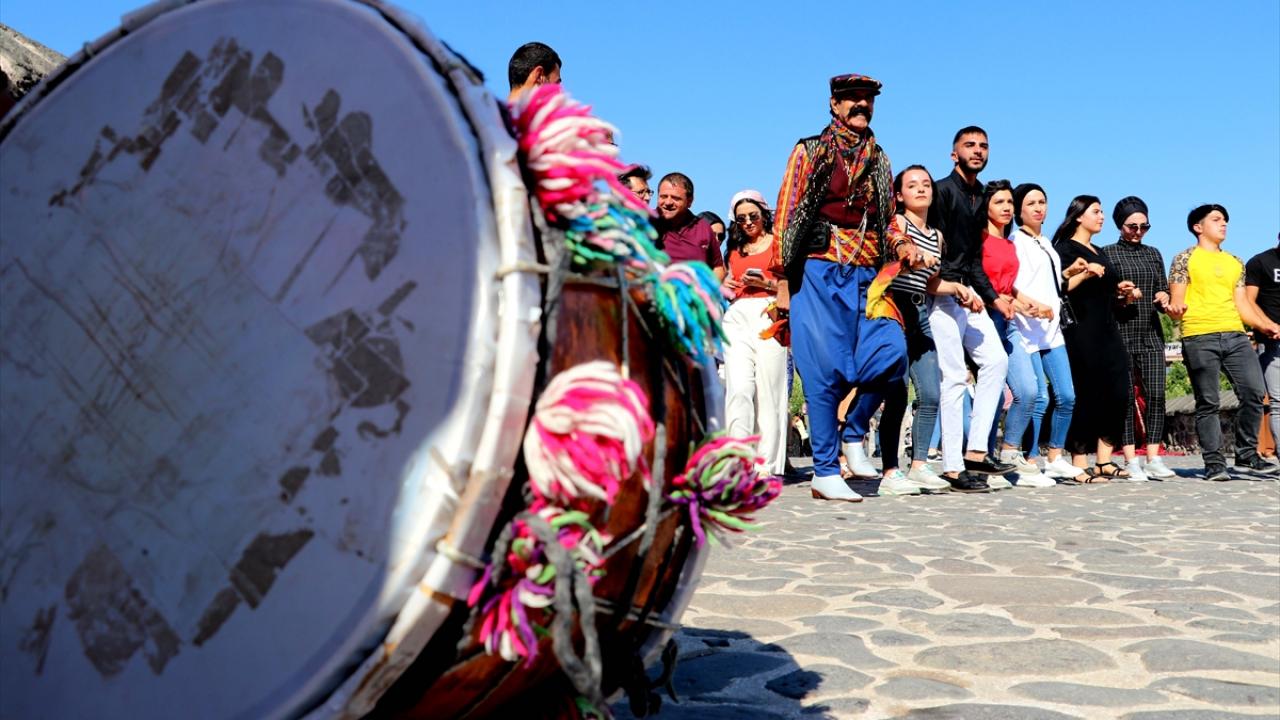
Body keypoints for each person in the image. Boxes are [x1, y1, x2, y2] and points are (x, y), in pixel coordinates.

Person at [773, 72, 928, 502]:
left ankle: (855, 431)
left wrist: (900, 242)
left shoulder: (880, 157)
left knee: (891, 356)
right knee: (825, 370)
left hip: (870, 277)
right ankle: (825, 471)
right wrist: (783, 281)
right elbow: (786, 212)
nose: (861, 105)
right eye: (852, 99)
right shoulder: (810, 150)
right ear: (834, 104)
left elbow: (887, 217)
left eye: (867, 100)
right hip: (820, 271)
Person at [927, 127, 1014, 493]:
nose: (977, 151)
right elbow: (935, 246)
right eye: (969, 145)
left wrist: (993, 297)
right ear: (954, 154)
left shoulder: (981, 196)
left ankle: (977, 449)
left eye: (983, 146)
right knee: (953, 377)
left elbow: (975, 257)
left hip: (971, 293)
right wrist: (953, 286)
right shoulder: (942, 191)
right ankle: (951, 466)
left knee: (996, 361)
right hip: (942, 292)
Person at [1167, 205, 1280, 480]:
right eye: (1216, 220)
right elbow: (1177, 300)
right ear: (1198, 226)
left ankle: (1246, 455)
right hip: (1199, 335)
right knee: (1208, 402)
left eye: (1225, 220)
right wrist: (1174, 310)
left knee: (1254, 393)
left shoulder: (1235, 262)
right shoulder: (1184, 258)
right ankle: (1215, 463)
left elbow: (1243, 305)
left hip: (1236, 335)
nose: (1224, 224)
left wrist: (1267, 325)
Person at [867, 165, 956, 494]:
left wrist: (960, 290)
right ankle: (890, 471)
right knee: (897, 394)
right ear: (899, 194)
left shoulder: (937, 236)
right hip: (893, 306)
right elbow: (887, 267)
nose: (921, 189)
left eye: (926, 184)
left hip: (920, 310)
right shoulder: (897, 225)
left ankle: (919, 464)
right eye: (912, 184)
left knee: (931, 392)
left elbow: (932, 284)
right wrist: (909, 256)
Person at [1053, 196, 1143, 480]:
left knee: (1119, 392)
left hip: (1108, 329)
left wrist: (1123, 293)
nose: (1102, 216)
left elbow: (1107, 293)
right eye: (1096, 211)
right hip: (1081, 330)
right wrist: (1086, 273)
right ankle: (1079, 460)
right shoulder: (1064, 249)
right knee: (1085, 393)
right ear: (1079, 216)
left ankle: (1105, 459)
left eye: (1102, 211)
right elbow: (1061, 287)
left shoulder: (1100, 251)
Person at [1009, 183, 1091, 483]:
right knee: (1038, 398)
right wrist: (1027, 306)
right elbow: (1011, 284)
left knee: (1067, 395)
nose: (1038, 208)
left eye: (1042, 201)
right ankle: (1029, 459)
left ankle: (1055, 456)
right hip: (1025, 329)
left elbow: (1056, 286)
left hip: (1052, 330)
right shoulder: (1015, 242)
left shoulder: (1047, 244)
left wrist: (1074, 273)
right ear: (1019, 210)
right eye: (1031, 203)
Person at [979, 180, 1056, 488]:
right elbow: (981, 282)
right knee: (991, 394)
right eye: (999, 202)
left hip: (1009, 323)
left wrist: (1032, 304)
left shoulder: (1009, 244)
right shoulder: (980, 240)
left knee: (1029, 391)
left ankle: (1009, 458)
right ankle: (979, 459)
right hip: (983, 321)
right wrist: (1012, 303)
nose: (1007, 208)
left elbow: (1009, 286)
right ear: (986, 207)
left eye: (1010, 202)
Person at [1100, 197, 1177, 481]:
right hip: (1120, 334)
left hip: (1151, 334)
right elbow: (1104, 296)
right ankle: (1131, 459)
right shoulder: (1106, 252)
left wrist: (1163, 296)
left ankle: (1153, 457)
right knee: (1126, 399)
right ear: (1120, 226)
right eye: (1132, 226)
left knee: (1156, 395)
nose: (1138, 231)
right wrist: (1121, 296)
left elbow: (1161, 289)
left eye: (1145, 226)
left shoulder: (1154, 253)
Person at [720, 190, 789, 476]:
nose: (747, 222)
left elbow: (790, 285)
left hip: (769, 314)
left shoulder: (779, 245)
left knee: (769, 390)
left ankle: (765, 464)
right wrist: (729, 285)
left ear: (764, 214)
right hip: (737, 315)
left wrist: (767, 283)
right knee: (739, 387)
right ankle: (738, 459)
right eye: (741, 219)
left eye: (753, 216)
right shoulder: (734, 249)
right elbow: (725, 280)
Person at [1245, 238, 1280, 465]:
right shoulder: (1260, 262)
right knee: (1278, 402)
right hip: (1273, 341)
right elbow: (1248, 301)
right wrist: (1269, 325)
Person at [653, 173, 725, 278]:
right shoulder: (645, 222)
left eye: (675, 198)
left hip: (695, 293)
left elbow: (718, 267)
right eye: (663, 196)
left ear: (690, 201)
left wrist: (708, 291)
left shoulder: (703, 228)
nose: (668, 202)